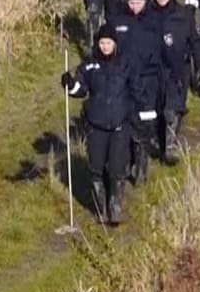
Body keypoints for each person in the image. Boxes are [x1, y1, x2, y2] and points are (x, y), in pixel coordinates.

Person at [61, 24, 142, 226]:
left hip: (119, 126)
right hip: (96, 124)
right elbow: (80, 89)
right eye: (102, 43)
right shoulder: (89, 65)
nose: (105, 46)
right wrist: (70, 84)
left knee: (116, 168)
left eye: (109, 43)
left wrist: (135, 115)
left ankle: (115, 206)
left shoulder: (126, 64)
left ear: (115, 43)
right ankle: (100, 206)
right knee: (96, 167)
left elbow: (136, 90)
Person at [111, 0, 161, 186]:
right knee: (126, 122)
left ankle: (141, 168)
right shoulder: (117, 21)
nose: (135, 5)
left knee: (145, 123)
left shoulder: (154, 21)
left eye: (139, 2)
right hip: (124, 81)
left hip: (148, 80)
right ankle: (127, 161)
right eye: (132, 1)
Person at [146, 0, 194, 166]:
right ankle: (158, 140)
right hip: (154, 70)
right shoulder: (147, 14)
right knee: (157, 109)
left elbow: (194, 41)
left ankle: (171, 147)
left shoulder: (182, 14)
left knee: (172, 110)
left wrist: (198, 64)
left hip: (177, 68)